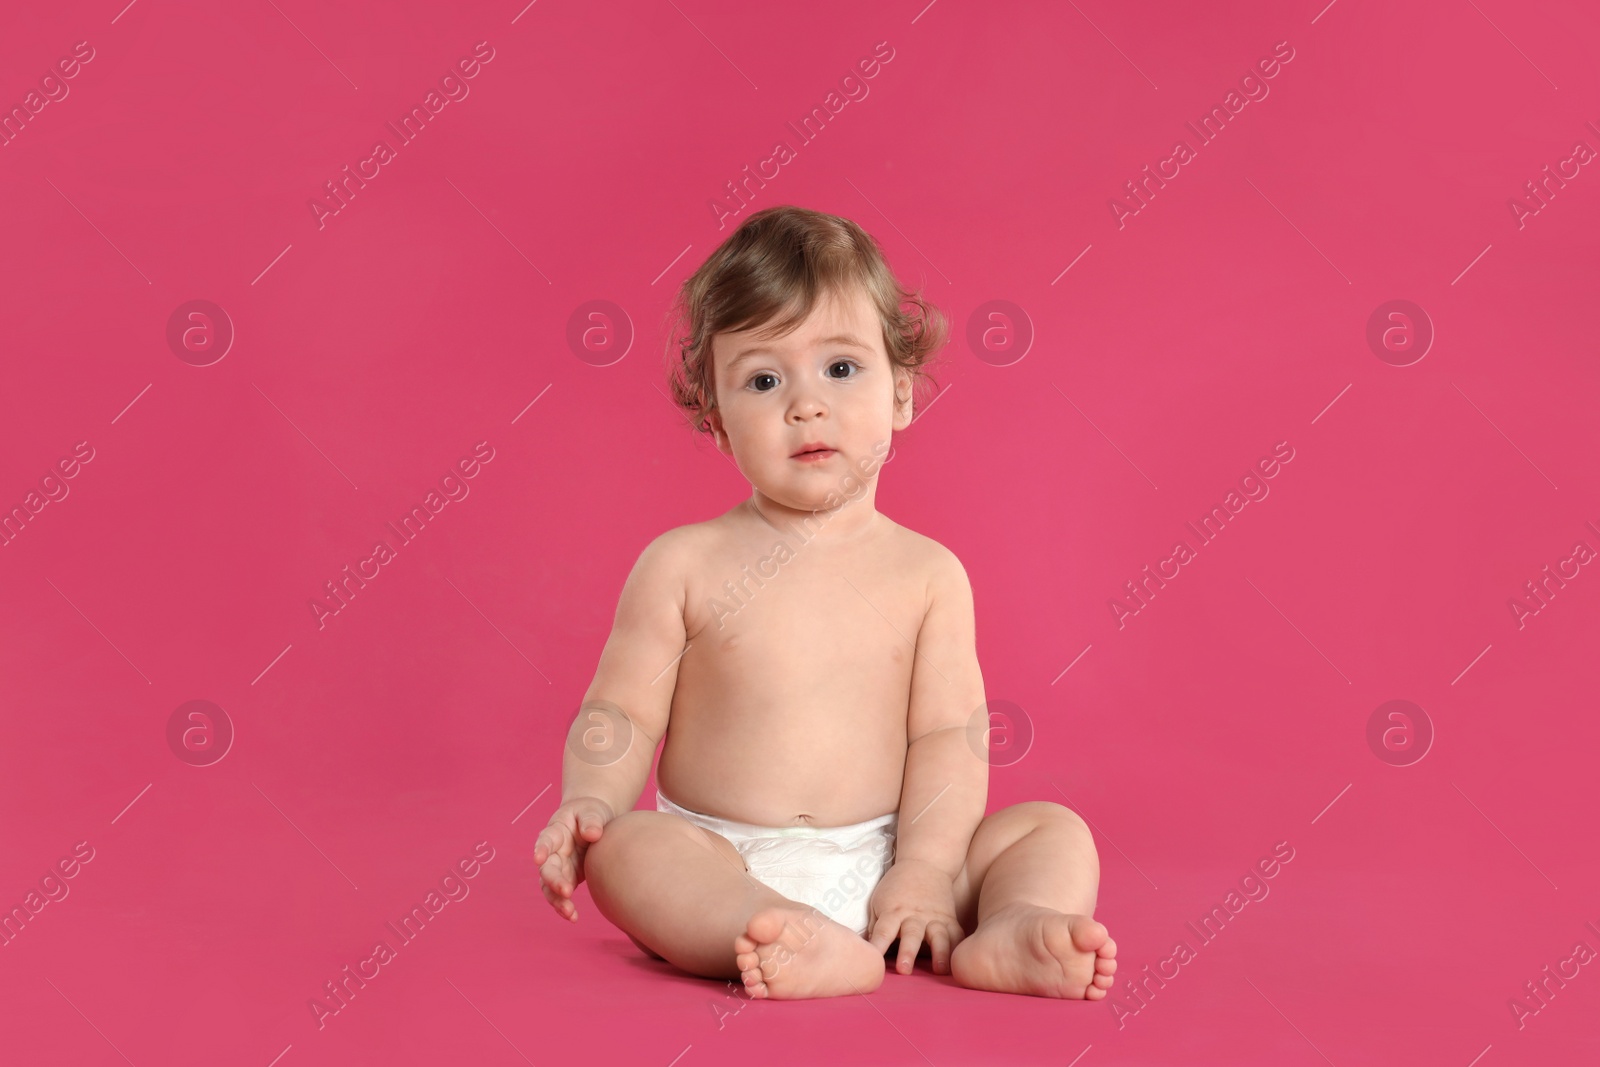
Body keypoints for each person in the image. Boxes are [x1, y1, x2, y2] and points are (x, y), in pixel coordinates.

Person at [533, 204, 1117, 1000]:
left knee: (1052, 829)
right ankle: (768, 928)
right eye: (764, 379)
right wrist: (588, 801)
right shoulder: (682, 564)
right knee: (630, 852)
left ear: (902, 395)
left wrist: (924, 870)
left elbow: (949, 736)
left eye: (841, 369)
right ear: (715, 419)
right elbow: (621, 713)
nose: (805, 404)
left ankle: (1016, 923)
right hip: (722, 854)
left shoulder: (928, 574)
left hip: (892, 857)